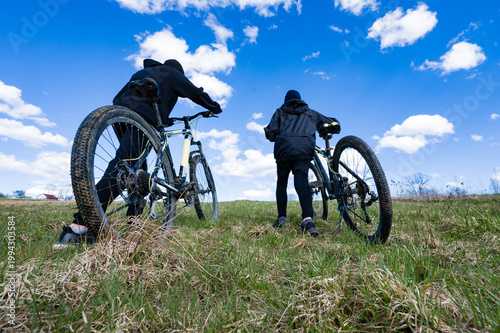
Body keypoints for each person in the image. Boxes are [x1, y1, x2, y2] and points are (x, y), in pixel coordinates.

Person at [53, 59, 222, 249]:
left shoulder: (142, 73)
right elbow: (195, 93)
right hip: (145, 117)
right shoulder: (172, 73)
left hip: (122, 114)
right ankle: (80, 226)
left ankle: (134, 220)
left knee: (136, 168)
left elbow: (123, 94)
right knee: (124, 168)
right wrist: (214, 106)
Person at [264, 90, 340, 237]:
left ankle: (281, 219)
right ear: (300, 99)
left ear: (286, 100)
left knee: (282, 182)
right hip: (304, 148)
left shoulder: (280, 112)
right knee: (301, 183)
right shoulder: (311, 113)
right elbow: (332, 122)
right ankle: (308, 220)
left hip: (284, 150)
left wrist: (271, 133)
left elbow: (271, 133)